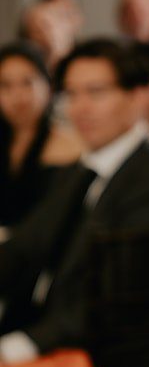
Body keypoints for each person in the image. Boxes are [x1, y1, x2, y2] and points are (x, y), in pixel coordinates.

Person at [0, 38, 149, 364]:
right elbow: (25, 246)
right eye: (71, 94)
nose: (79, 108)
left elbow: (106, 306)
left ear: (136, 98)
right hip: (60, 344)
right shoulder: (81, 170)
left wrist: (15, 348)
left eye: (95, 92)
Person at [0, 41, 82, 232]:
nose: (17, 95)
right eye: (5, 85)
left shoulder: (69, 144)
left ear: (48, 85)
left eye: (27, 82)